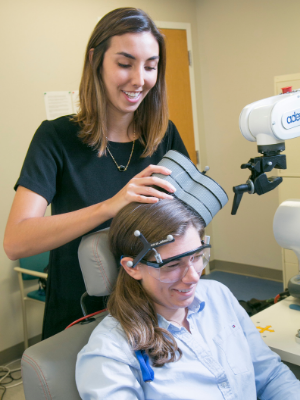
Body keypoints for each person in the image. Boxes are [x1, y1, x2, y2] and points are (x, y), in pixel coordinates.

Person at [3, 8, 189, 339]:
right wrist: (109, 206)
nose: (139, 79)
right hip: (82, 313)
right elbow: (16, 241)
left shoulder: (165, 137)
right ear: (96, 60)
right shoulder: (55, 139)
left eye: (150, 66)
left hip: (153, 310)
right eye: (124, 63)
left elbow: (186, 221)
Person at [76, 199, 300, 400]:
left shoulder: (217, 294)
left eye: (196, 257)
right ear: (132, 267)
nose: (194, 276)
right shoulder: (111, 351)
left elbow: (270, 375)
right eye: (172, 265)